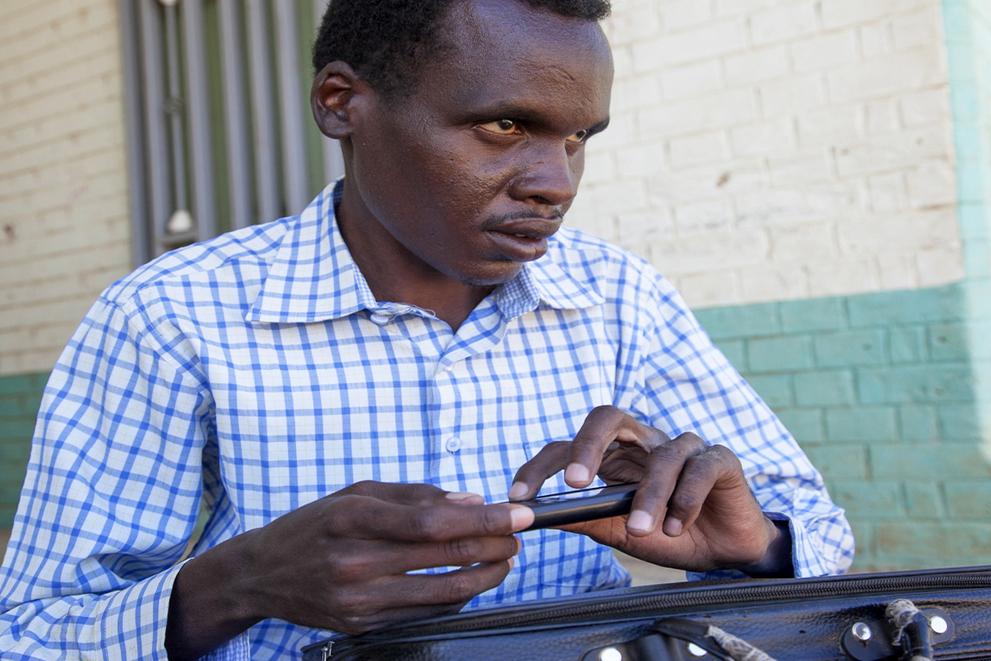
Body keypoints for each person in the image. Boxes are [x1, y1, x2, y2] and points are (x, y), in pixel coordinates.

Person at [0, 0, 854, 658]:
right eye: (505, 125)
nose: (554, 183)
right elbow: (33, 630)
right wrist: (242, 580)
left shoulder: (618, 295)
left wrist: (756, 546)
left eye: (576, 138)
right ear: (342, 103)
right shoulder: (173, 315)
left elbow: (816, 530)